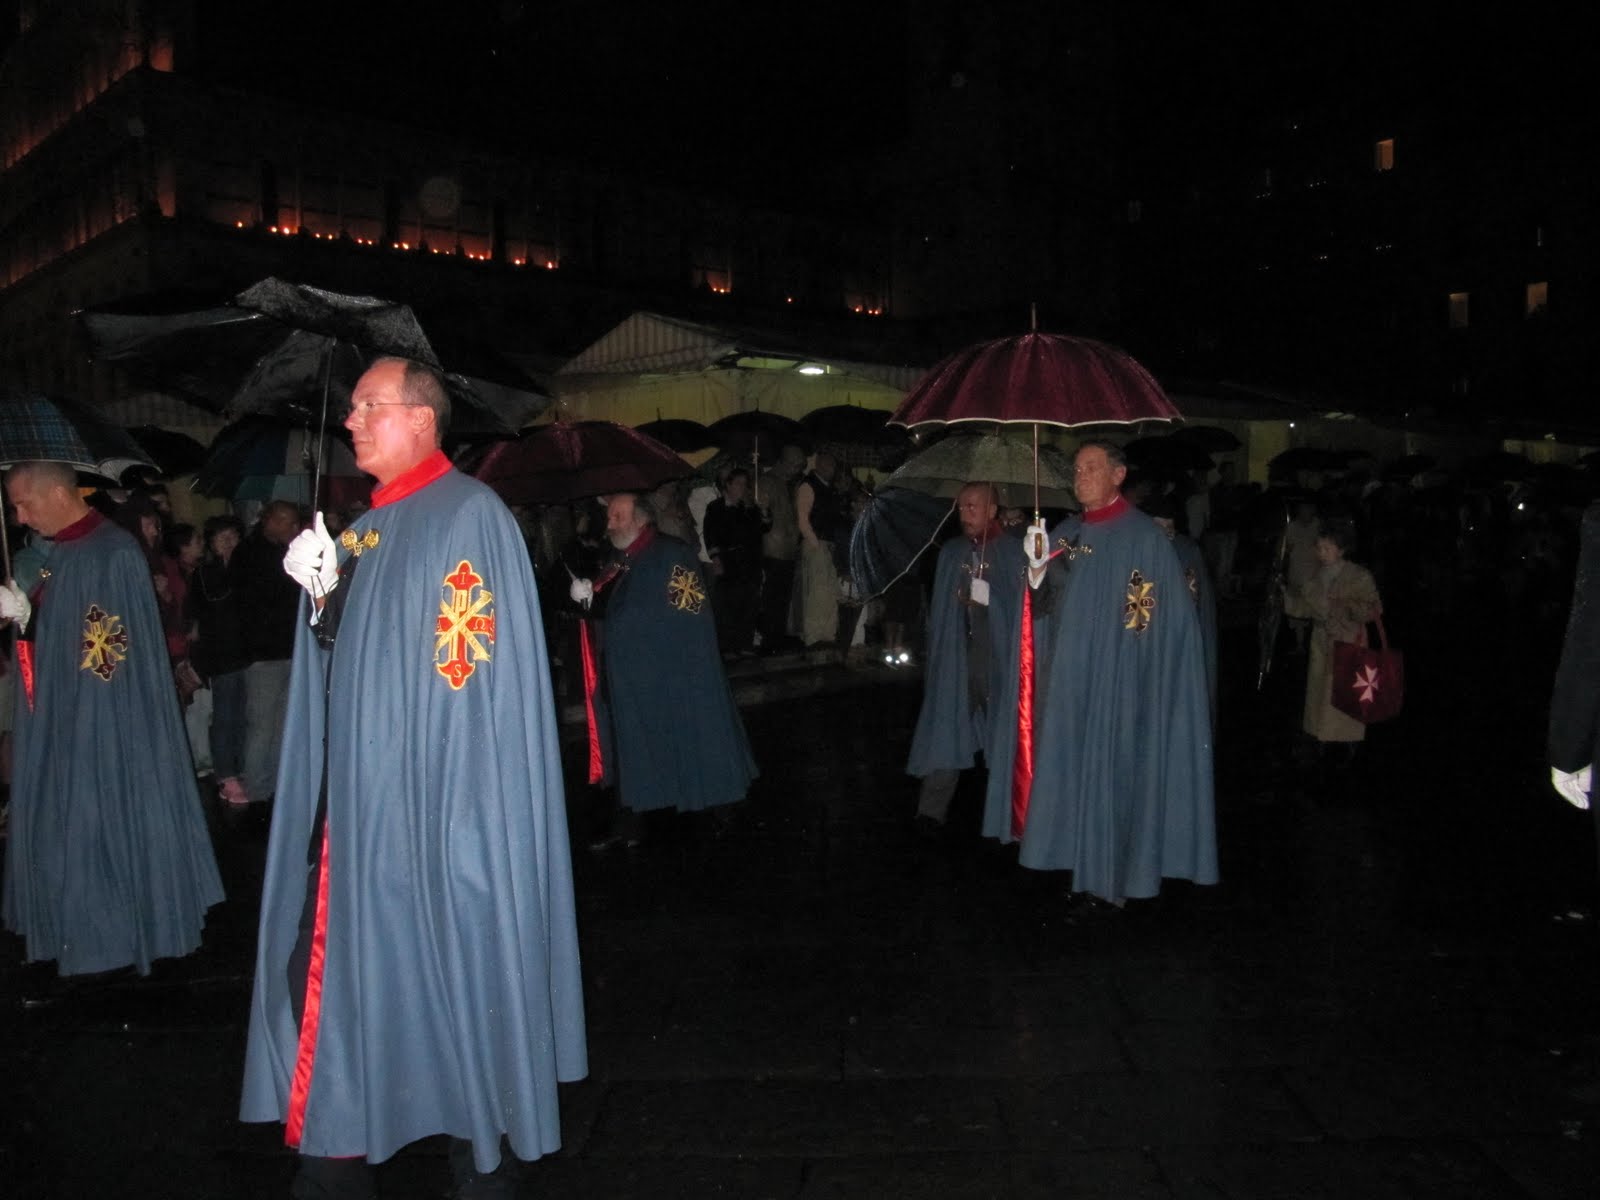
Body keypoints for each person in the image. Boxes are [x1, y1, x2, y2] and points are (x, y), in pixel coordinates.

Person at [239, 358, 586, 1199]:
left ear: (422, 419)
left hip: (443, 810)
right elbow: (355, 671)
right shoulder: (363, 530)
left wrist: (454, 813)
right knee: (341, 973)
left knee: (454, 968)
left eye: (369, 407)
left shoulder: (470, 515)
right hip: (363, 813)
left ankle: (476, 1150)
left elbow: (463, 677)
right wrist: (322, 600)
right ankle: (344, 1136)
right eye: (352, 407)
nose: (351, 421)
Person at [0, 461, 223, 976]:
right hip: (65, 710)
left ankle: (118, 931)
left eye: (23, 503)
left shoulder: (113, 551)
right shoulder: (62, 552)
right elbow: (62, 628)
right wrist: (27, 617)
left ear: (56, 493)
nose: (19, 516)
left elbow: (110, 649)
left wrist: (94, 716)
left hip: (106, 714)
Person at [996, 440, 1217, 914]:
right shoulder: (1066, 532)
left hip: (1117, 682)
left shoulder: (1141, 536)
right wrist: (1036, 569)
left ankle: (1108, 882)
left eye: (1091, 468)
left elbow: (1147, 615)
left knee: (1111, 774)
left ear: (1118, 475)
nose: (1080, 477)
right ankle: (1078, 864)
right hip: (1068, 682)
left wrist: (1126, 671)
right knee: (1075, 773)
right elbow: (1045, 607)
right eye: (1076, 469)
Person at [572, 491, 757, 846]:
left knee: (692, 739)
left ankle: (718, 810)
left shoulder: (672, 554)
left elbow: (690, 616)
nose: (609, 524)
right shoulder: (617, 559)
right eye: (609, 516)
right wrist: (588, 600)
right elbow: (612, 608)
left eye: (618, 517)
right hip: (627, 676)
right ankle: (631, 821)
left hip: (669, 672)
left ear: (641, 519)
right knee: (631, 746)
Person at [905, 482, 1028, 836]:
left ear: (992, 510)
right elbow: (940, 614)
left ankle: (1012, 814)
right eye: (961, 507)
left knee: (1004, 734)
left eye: (974, 507)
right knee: (947, 725)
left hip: (998, 660)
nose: (966, 514)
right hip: (959, 659)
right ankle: (931, 810)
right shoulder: (952, 552)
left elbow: (1023, 609)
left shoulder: (1011, 551)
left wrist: (990, 599)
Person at [233, 500, 303, 805]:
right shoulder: (249, 554)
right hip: (263, 653)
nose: (292, 529)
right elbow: (256, 603)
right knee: (262, 724)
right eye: (287, 522)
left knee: (281, 723)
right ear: (271, 521)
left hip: (287, 649)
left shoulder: (284, 552)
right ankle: (256, 787)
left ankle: (274, 783)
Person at [1297, 518, 1382, 766]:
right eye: (1319, 547)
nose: (1320, 553)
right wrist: (1286, 600)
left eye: (1326, 548)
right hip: (1322, 644)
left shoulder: (1358, 576)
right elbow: (1305, 607)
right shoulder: (1316, 578)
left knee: (1346, 692)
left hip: (1350, 643)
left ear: (1341, 548)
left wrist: (1345, 606)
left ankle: (1349, 741)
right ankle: (1324, 738)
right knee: (1322, 694)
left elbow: (1373, 608)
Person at [192, 515, 251, 806]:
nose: (229, 542)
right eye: (222, 537)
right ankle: (225, 774)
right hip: (220, 653)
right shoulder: (206, 573)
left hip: (244, 651)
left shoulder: (247, 568)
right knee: (225, 714)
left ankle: (239, 768)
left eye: (233, 536)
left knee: (242, 714)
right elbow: (215, 602)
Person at [703, 467, 768, 656]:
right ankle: (727, 647)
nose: (742, 488)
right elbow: (710, 534)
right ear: (728, 485)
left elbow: (763, 528)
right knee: (728, 604)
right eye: (738, 484)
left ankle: (745, 644)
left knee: (749, 603)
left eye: (745, 485)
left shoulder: (748, 508)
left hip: (750, 562)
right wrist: (715, 558)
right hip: (729, 561)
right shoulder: (715, 507)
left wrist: (763, 509)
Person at [792, 450, 845, 648]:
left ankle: (828, 633)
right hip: (817, 543)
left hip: (827, 544)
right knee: (817, 592)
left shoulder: (828, 488)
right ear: (820, 465)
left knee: (830, 591)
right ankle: (814, 635)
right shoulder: (808, 486)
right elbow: (803, 519)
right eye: (830, 466)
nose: (833, 470)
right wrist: (816, 544)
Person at [757, 443, 806, 655]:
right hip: (772, 551)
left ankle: (777, 637)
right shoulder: (767, 482)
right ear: (783, 462)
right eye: (794, 465)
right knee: (771, 599)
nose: (797, 470)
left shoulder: (790, 484)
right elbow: (762, 518)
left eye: (799, 466)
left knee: (783, 600)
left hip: (788, 551)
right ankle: (769, 641)